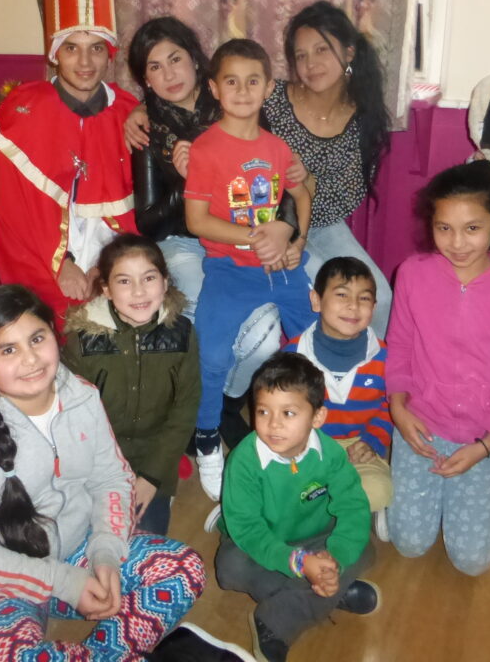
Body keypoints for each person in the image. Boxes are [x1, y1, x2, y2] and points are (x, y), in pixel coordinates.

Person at [0, 284, 233, 661]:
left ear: (54, 335)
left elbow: (113, 480)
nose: (31, 359)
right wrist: (63, 582)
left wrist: (105, 557)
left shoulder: (82, 394)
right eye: (8, 349)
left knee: (183, 569)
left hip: (76, 550)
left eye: (37, 338)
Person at [125, 16, 302, 448]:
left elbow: (281, 187)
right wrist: (188, 183)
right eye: (154, 67)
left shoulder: (238, 101)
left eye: (175, 59)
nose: (168, 74)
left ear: (198, 63)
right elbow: (149, 221)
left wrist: (289, 232)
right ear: (144, 79)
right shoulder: (149, 127)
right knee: (212, 314)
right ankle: (205, 411)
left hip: (249, 233)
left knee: (271, 327)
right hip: (184, 240)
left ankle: (224, 403)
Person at [386, 162, 490, 575]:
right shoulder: (412, 275)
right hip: (419, 429)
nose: (457, 243)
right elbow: (399, 348)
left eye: (472, 228)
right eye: (444, 228)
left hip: (481, 437)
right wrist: (399, 410)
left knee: (473, 562)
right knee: (409, 544)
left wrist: (486, 446)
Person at [183, 38, 317, 500]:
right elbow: (196, 220)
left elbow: (301, 196)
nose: (242, 91)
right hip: (229, 269)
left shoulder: (278, 148)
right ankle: (205, 436)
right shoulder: (206, 148)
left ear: (268, 88)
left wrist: (297, 239)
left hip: (281, 267)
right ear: (215, 89)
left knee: (316, 341)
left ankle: (320, 428)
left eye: (253, 81)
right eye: (232, 82)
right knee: (212, 352)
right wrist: (258, 237)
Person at [0, 0, 138, 327]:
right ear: (55, 56)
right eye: (71, 47)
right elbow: (14, 214)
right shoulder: (26, 113)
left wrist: (105, 267)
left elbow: (133, 212)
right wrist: (63, 265)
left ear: (109, 55)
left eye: (96, 48)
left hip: (111, 259)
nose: (85, 61)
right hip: (43, 259)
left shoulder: (129, 112)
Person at [214, 352, 378, 662]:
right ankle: (331, 590)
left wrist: (337, 557)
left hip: (315, 537)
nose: (273, 424)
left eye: (288, 413)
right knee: (229, 568)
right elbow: (248, 530)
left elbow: (353, 507)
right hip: (260, 543)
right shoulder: (244, 460)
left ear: (317, 418)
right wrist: (302, 565)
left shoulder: (329, 455)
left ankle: (277, 619)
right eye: (263, 411)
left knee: (364, 545)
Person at [261, 1, 394, 334]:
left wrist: (308, 185)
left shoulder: (363, 118)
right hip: (261, 221)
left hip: (322, 225)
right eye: (301, 55)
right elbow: (215, 105)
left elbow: (349, 195)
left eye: (321, 49)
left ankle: (363, 381)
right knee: (329, 301)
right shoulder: (270, 97)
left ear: (348, 53)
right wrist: (143, 110)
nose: (310, 63)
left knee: (378, 296)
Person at [62, 234, 199, 535]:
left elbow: (185, 409)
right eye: (124, 281)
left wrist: (151, 477)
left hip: (155, 458)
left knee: (144, 541)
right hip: (97, 461)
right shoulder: (82, 340)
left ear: (165, 282)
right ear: (107, 290)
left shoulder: (182, 333)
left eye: (149, 278)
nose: (139, 292)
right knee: (86, 538)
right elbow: (72, 420)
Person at [283, 256, 392, 536]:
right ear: (316, 300)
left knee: (378, 490)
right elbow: (283, 412)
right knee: (283, 482)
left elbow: (389, 407)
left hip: (358, 446)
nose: (353, 306)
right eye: (341, 294)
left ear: (374, 308)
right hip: (308, 446)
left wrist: (372, 441)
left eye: (364, 298)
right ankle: (340, 512)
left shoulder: (385, 356)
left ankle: (326, 510)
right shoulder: (293, 356)